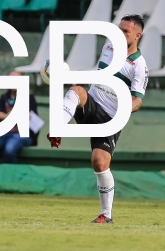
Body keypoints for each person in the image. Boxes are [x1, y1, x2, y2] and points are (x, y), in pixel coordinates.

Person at [47, 14, 149, 224]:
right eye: (118, 29)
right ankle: (58, 128)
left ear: (137, 35)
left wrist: (126, 109)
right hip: (92, 104)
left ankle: (106, 215)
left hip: (111, 117)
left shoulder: (139, 65)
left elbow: (138, 100)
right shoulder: (109, 47)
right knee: (76, 90)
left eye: (125, 31)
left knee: (100, 163)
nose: (119, 34)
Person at [0, 71, 39, 168]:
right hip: (4, 132)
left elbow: (26, 118)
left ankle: (10, 177)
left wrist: (5, 115)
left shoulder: (29, 97)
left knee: (9, 150)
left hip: (21, 134)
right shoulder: (4, 97)